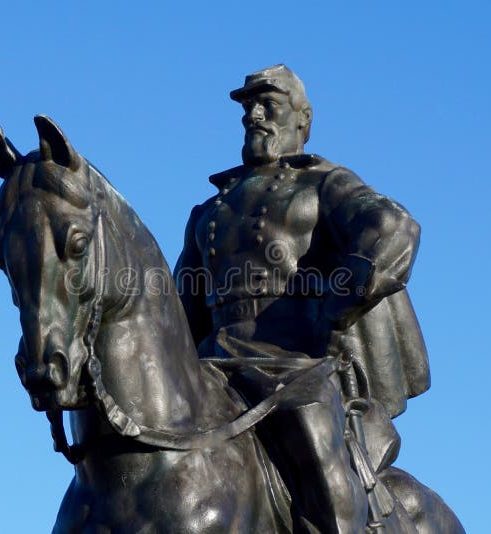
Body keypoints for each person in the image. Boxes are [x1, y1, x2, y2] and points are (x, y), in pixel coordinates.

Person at [174, 65, 459, 533]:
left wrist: (341, 297)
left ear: (302, 119)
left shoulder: (324, 184)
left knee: (317, 453)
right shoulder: (210, 211)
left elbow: (393, 227)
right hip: (213, 365)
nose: (255, 116)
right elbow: (178, 304)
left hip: (295, 365)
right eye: (249, 107)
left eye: (269, 105)